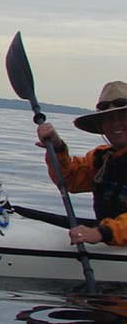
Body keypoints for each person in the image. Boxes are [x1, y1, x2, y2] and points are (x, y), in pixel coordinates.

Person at [36, 80, 127, 247]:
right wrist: (57, 148)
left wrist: (102, 232)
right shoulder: (102, 157)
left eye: (122, 116)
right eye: (109, 119)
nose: (116, 124)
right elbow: (70, 179)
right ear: (101, 126)